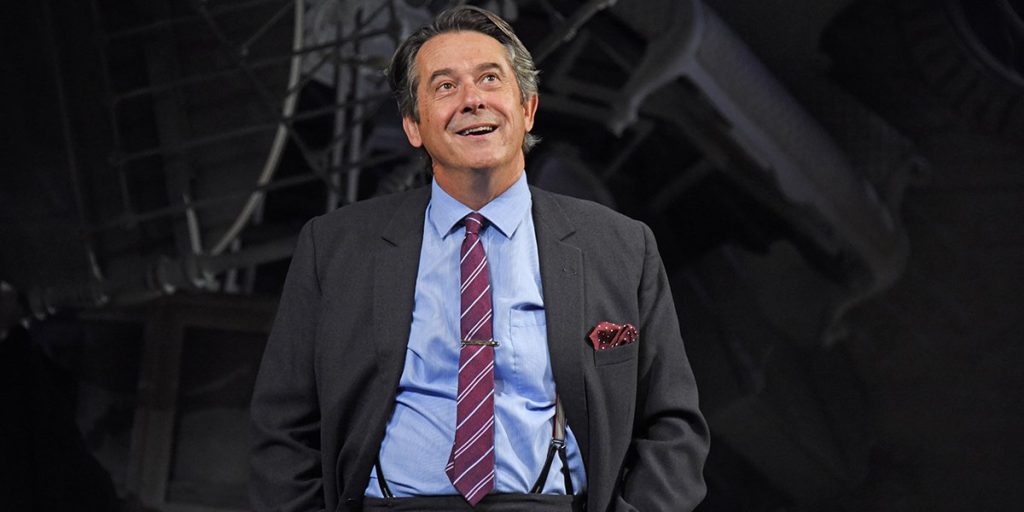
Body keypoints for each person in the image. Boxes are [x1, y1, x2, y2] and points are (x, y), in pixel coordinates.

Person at [250, 6, 709, 512]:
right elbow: (282, 425)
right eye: (445, 86)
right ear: (413, 125)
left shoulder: (621, 246)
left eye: (490, 79)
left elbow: (672, 425)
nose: (472, 100)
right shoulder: (336, 246)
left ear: (528, 109)